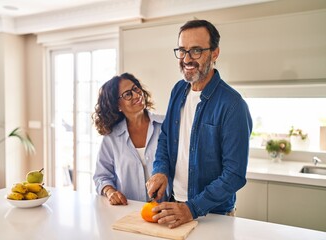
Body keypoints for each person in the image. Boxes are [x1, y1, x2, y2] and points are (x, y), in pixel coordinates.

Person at [146, 19, 253, 228]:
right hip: (174, 206)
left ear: (215, 53)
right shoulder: (178, 90)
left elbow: (234, 175)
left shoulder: (233, 105)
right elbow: (166, 138)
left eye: (196, 51)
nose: (187, 58)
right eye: (182, 50)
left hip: (213, 216)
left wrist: (192, 208)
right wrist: (160, 171)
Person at [93, 72, 165, 205]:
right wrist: (110, 192)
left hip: (166, 209)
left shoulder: (165, 125)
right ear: (117, 106)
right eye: (127, 94)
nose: (137, 95)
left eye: (136, 89)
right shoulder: (111, 138)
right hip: (127, 210)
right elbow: (101, 176)